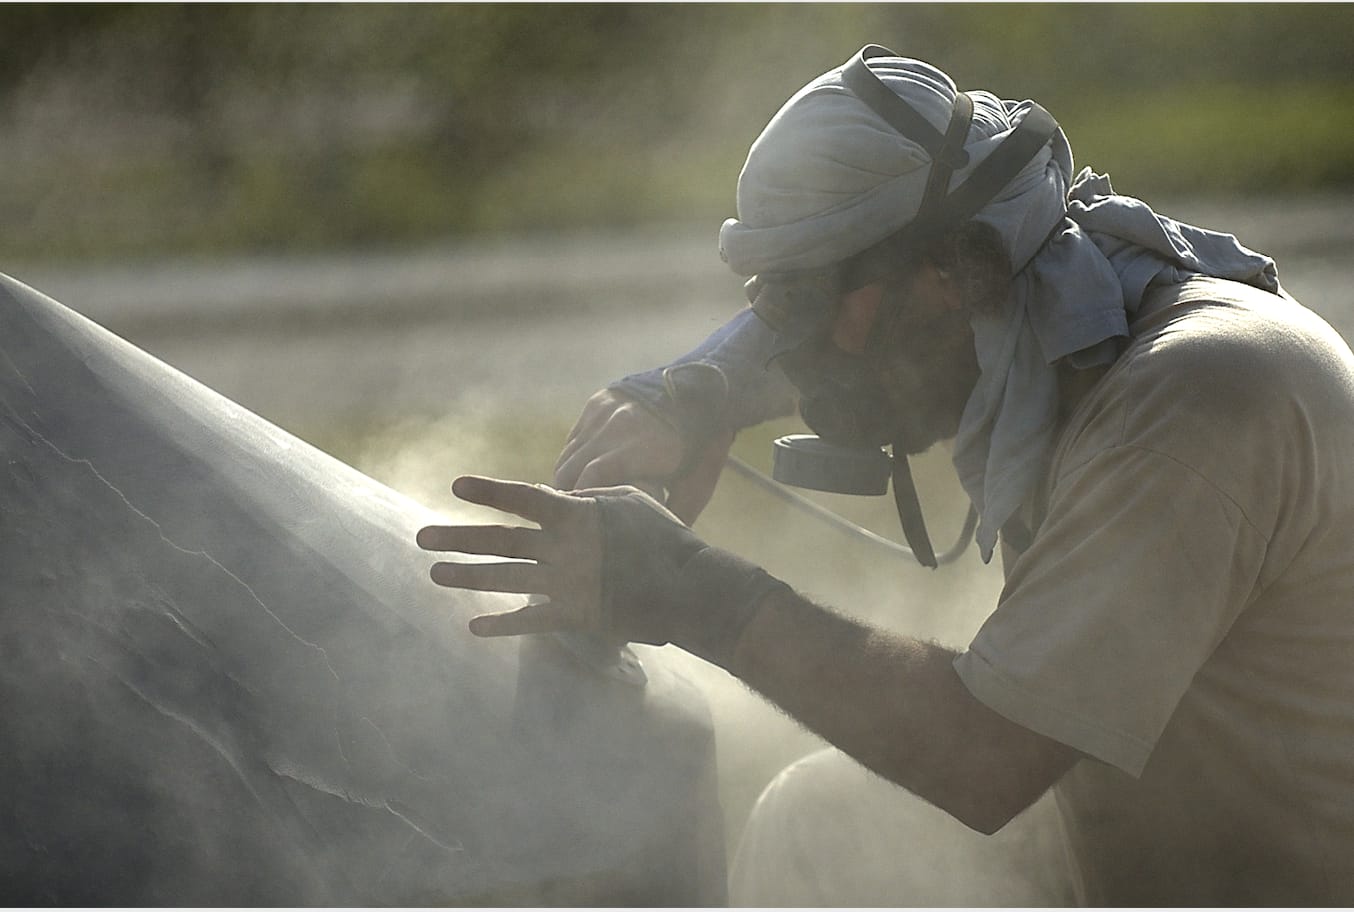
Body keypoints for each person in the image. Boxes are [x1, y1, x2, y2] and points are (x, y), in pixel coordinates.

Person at [416, 45, 1354, 905]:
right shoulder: (1046, 292)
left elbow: (989, 757)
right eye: (770, 304)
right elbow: (832, 319)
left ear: (950, 273)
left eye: (804, 302)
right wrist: (692, 391)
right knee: (826, 816)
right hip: (1138, 852)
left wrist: (689, 593)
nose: (798, 350)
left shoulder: (1196, 400)